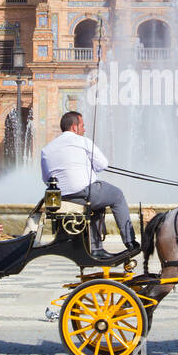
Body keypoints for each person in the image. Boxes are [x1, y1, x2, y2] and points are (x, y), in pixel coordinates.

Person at [40, 111, 138, 259]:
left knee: (98, 205)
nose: (84, 129)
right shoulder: (83, 141)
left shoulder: (47, 149)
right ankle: (130, 241)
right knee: (117, 195)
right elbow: (102, 164)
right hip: (84, 192)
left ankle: (96, 247)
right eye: (82, 126)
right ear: (74, 127)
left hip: (63, 198)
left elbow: (46, 178)